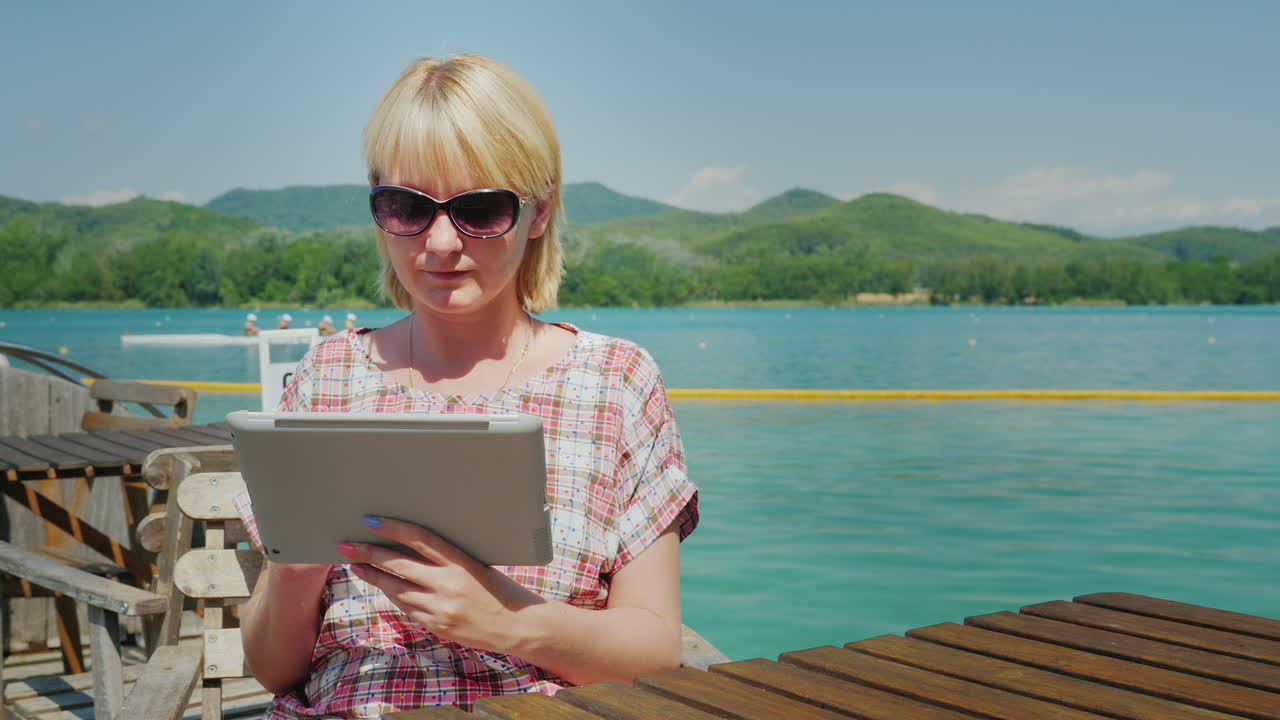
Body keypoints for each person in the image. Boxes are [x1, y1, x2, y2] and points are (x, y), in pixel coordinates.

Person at [236, 54, 698, 718]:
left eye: (480, 209)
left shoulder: (617, 384)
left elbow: (655, 649)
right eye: (407, 207)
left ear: (538, 212)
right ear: (378, 210)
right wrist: (296, 570)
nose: (442, 242)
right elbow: (270, 670)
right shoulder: (324, 381)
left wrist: (504, 621)